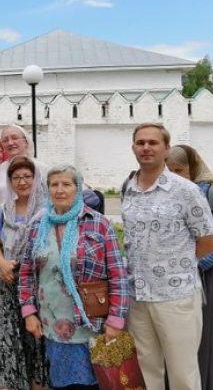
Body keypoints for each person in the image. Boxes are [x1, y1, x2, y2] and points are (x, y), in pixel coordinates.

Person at [122, 123, 213, 390]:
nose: (146, 148)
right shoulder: (128, 187)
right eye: (140, 143)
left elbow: (209, 240)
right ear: (133, 148)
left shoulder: (185, 190)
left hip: (175, 297)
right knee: (146, 372)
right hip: (138, 296)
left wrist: (175, 262)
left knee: (182, 375)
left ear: (166, 148)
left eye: (153, 143)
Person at [19, 165, 130, 390]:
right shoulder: (38, 226)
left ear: (77, 188)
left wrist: (116, 320)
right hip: (52, 324)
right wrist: (29, 311)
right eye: (54, 184)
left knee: (96, 383)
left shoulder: (98, 223)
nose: (60, 190)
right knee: (61, 384)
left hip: (92, 324)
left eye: (66, 184)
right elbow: (27, 272)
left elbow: (118, 276)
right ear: (47, 189)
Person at [166, 145, 213, 390]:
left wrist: (185, 265)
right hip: (175, 277)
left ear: (193, 167)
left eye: (179, 170)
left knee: (210, 335)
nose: (174, 175)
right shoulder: (166, 194)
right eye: (169, 170)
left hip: (211, 278)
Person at [0, 156, 49, 389]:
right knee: (10, 344)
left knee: (36, 345)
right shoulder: (6, 210)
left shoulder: (46, 211)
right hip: (9, 282)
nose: (22, 182)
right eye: (16, 178)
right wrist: (2, 264)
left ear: (35, 179)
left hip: (36, 287)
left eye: (27, 176)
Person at [0, 125, 48, 205]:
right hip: (2, 216)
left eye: (15, 138)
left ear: (26, 142)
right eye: (5, 140)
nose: (10, 143)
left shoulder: (41, 168)